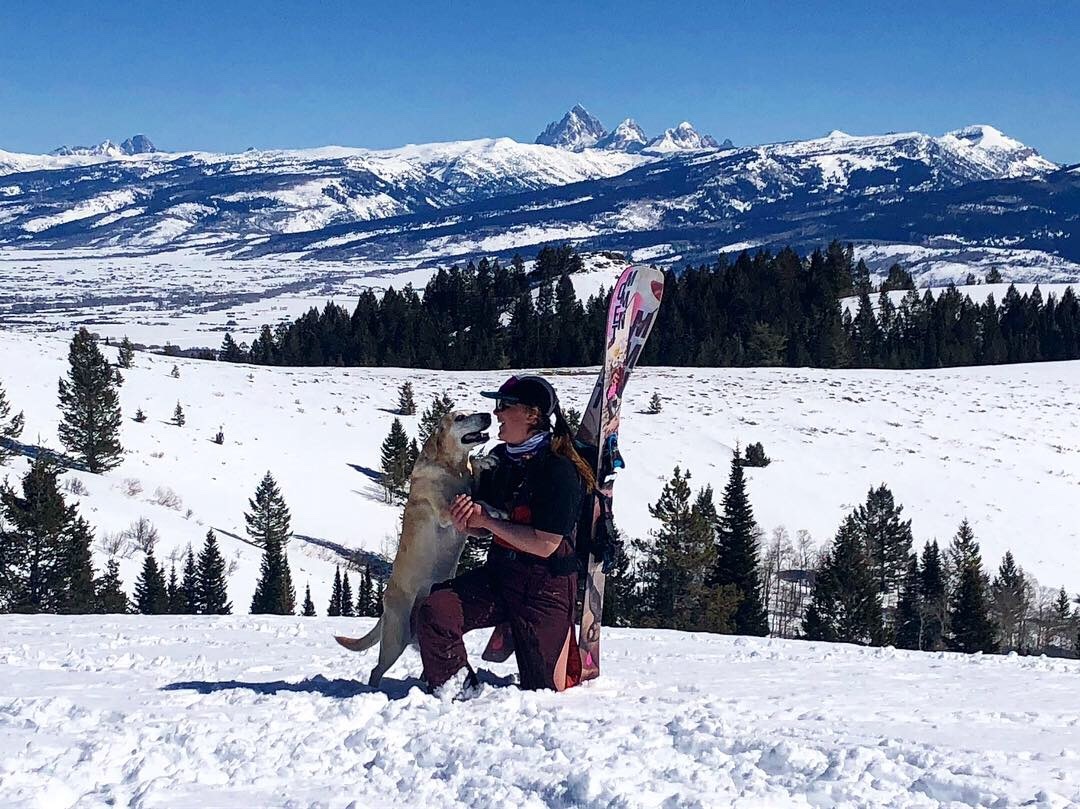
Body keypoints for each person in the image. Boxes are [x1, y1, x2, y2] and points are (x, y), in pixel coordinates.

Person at [415, 375, 595, 692]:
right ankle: (458, 690)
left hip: (545, 587)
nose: (496, 414)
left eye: (504, 406)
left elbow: (545, 544)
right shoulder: (501, 460)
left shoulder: (559, 469)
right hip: (501, 576)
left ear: (532, 415)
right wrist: (468, 523)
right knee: (435, 611)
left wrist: (487, 522)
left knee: (546, 691)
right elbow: (485, 523)